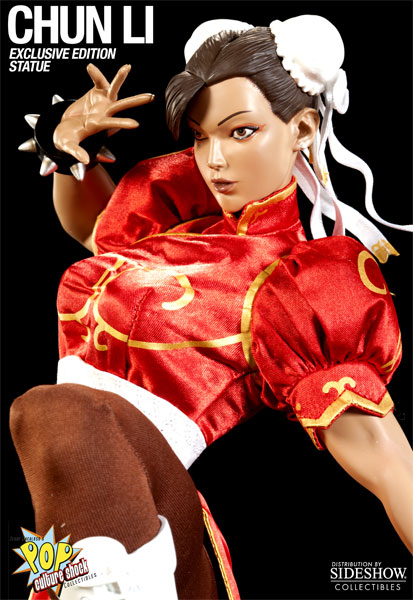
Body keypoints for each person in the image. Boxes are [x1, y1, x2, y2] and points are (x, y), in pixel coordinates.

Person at [10, 15, 413, 600]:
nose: (214, 158)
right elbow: (91, 230)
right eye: (201, 137)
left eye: (240, 132)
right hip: (82, 503)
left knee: (52, 410)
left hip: (152, 490)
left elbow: (388, 460)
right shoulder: (172, 218)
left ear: (302, 128)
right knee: (40, 418)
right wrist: (69, 150)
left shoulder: (295, 281)